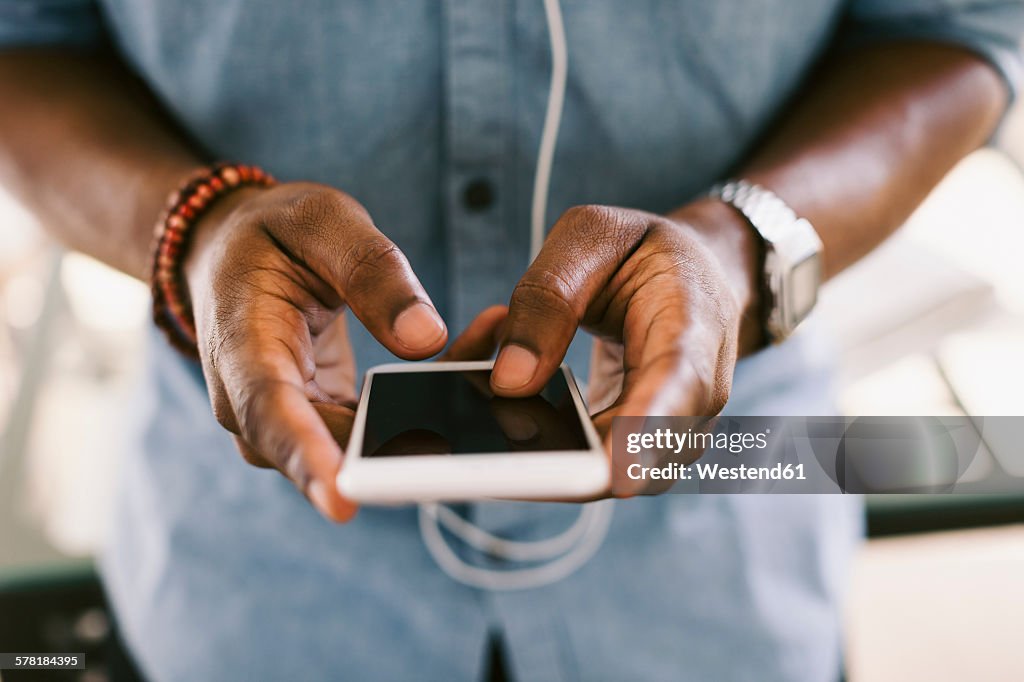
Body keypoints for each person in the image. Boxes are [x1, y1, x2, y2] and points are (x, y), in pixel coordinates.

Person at [1, 1, 1021, 680]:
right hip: (252, 586)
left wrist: (741, 251)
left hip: (717, 568)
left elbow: (960, 25)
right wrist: (196, 227)